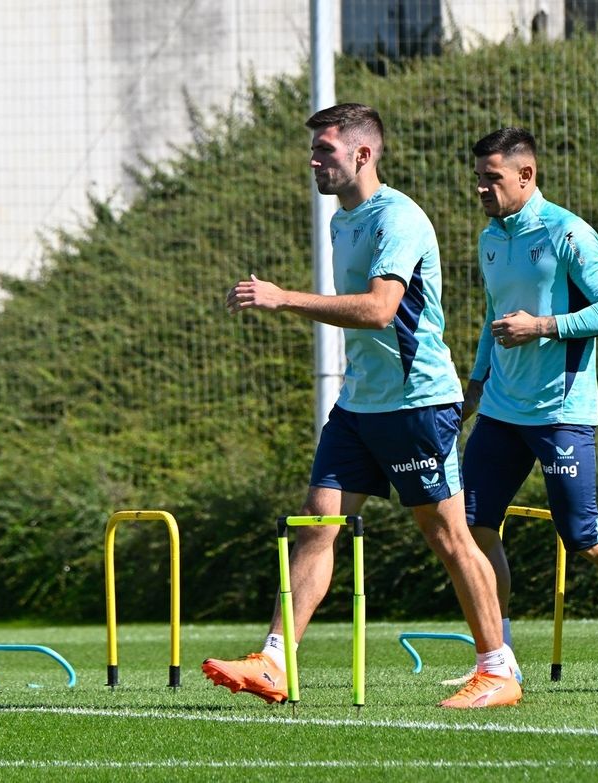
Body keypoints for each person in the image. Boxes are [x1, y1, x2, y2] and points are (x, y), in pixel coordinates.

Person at [203, 103, 521, 708]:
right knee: (316, 521)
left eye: (325, 150)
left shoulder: (397, 219)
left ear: (362, 154)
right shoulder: (342, 220)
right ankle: (274, 660)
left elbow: (379, 308)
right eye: (313, 151)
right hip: (360, 404)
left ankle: (497, 668)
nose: (315, 161)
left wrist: (282, 299)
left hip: (415, 403)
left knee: (449, 535)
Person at [451, 127, 598, 685]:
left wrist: (542, 326)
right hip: (501, 411)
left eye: (492, 179)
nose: (482, 190)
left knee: (581, 533)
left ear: (526, 175)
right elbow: (493, 319)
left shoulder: (568, 232)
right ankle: (498, 657)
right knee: (472, 525)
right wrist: (474, 387)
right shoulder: (490, 238)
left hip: (561, 411)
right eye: (478, 180)